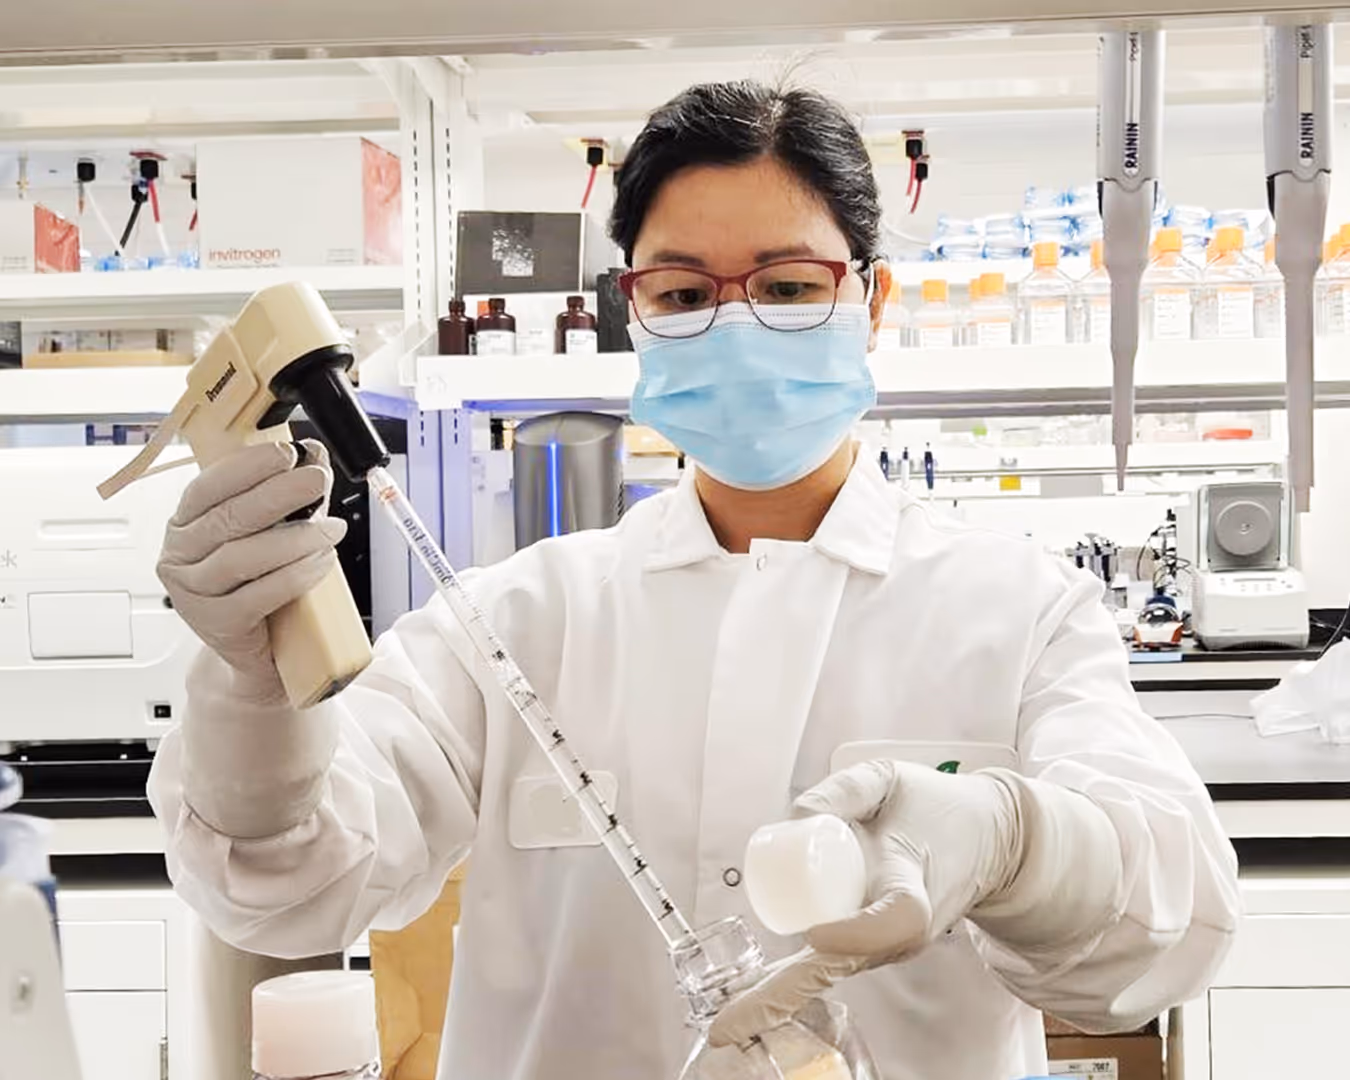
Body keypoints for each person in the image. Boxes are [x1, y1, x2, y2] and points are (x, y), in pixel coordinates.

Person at [149, 80, 1240, 1080]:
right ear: (636, 310)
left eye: (788, 284)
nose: (737, 321)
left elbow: (1167, 930)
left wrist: (1017, 843)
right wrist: (252, 687)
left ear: (874, 296)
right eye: (682, 293)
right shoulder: (522, 616)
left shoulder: (1016, 612)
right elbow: (288, 885)